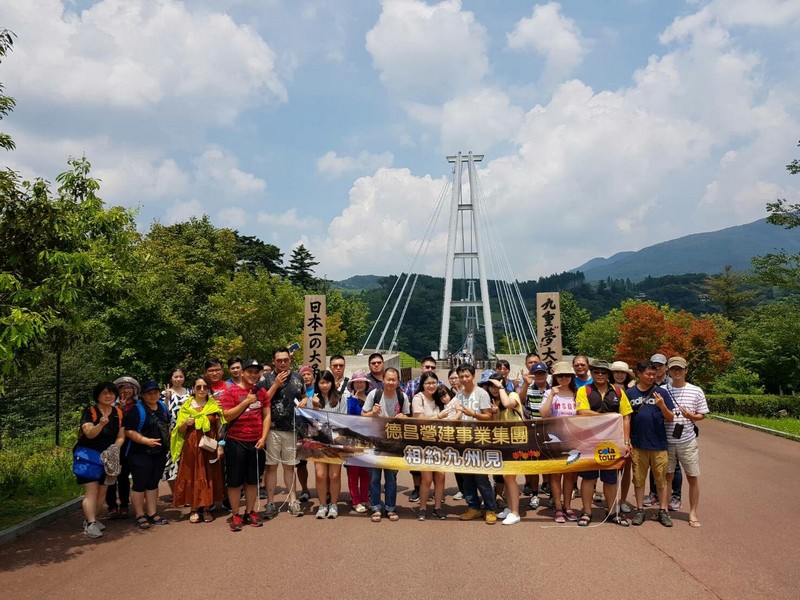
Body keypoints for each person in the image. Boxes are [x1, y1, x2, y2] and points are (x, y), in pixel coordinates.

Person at [575, 360, 633, 527]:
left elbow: (626, 417)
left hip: (612, 443)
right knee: (588, 478)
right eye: (597, 372)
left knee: (610, 479)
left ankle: (612, 512)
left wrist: (626, 441)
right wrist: (608, 417)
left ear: (609, 374)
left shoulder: (618, 392)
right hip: (589, 441)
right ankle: (587, 512)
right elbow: (582, 412)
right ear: (592, 373)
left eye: (604, 372)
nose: (600, 375)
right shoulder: (584, 390)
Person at [219, 359, 271, 531]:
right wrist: (246, 402)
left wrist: (264, 437)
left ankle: (250, 512)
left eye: (256, 372)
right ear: (242, 372)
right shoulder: (231, 392)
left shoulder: (262, 392)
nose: (253, 375)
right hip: (236, 442)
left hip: (256, 443)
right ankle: (236, 514)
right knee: (234, 482)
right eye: (250, 372)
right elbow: (227, 416)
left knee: (252, 480)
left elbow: (266, 415)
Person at [170, 376, 225, 524]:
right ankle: (194, 509)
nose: (201, 390)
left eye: (205, 387)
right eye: (198, 387)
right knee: (192, 475)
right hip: (191, 447)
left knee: (208, 474)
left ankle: (206, 508)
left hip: (209, 445)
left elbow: (220, 428)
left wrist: (221, 446)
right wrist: (186, 423)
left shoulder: (214, 405)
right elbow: (179, 430)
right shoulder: (186, 406)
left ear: (209, 389)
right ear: (193, 389)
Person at [628, 360, 676, 528]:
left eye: (653, 374)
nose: (651, 377)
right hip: (638, 444)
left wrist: (662, 406)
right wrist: (627, 441)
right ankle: (640, 510)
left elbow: (670, 418)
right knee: (639, 479)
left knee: (661, 479)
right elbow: (625, 418)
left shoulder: (661, 392)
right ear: (639, 374)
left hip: (659, 444)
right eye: (648, 374)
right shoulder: (630, 393)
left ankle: (663, 510)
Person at [260, 347, 305, 518]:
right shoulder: (266, 378)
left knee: (289, 466)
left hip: (291, 429)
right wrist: (276, 384)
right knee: (271, 466)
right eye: (279, 360)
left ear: (290, 360)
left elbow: (303, 395)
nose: (283, 363)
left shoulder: (298, 377)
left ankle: (293, 501)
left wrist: (305, 400)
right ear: (273, 362)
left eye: (285, 360)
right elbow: (262, 400)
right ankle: (270, 502)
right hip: (271, 429)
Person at [77, 381, 126, 538]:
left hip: (107, 457)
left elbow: (121, 436)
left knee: (102, 492)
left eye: (111, 393)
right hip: (88, 456)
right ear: (97, 395)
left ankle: (90, 519)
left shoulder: (118, 413)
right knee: (91, 490)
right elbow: (89, 433)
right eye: (105, 393)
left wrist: (115, 448)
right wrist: (100, 424)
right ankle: (91, 523)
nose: (108, 396)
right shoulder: (90, 412)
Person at [665, 356, 709, 527]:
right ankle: (664, 510)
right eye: (673, 369)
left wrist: (691, 416)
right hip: (666, 440)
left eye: (680, 369)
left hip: (687, 440)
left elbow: (702, 414)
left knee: (692, 476)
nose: (677, 372)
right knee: (667, 477)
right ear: (668, 370)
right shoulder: (662, 390)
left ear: (686, 371)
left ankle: (693, 513)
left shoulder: (696, 390)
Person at [362, 367, 409, 522]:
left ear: (398, 381)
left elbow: (407, 418)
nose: (390, 382)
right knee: (374, 478)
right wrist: (373, 413)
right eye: (388, 379)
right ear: (382, 380)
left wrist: (404, 418)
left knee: (391, 478)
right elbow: (363, 415)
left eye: (394, 380)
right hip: (374, 442)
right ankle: (375, 507)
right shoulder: (374, 394)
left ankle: (390, 508)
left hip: (393, 444)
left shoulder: (402, 397)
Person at [123, 380, 170, 530]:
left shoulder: (162, 407)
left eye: (155, 392)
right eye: (149, 393)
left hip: (159, 452)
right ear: (143, 395)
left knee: (153, 483)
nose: (153, 395)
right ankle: (139, 515)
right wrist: (145, 441)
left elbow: (167, 425)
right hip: (139, 453)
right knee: (139, 484)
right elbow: (129, 431)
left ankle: (152, 513)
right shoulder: (137, 410)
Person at [455, 364, 497, 525]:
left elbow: (488, 417)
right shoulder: (459, 395)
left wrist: (473, 414)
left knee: (481, 477)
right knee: (467, 477)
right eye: (461, 376)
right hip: (463, 440)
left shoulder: (481, 393)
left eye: (467, 376)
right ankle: (473, 506)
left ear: (473, 376)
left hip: (479, 440)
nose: (464, 379)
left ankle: (490, 508)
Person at [482, 371, 524, 525]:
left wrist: (501, 387)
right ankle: (510, 508)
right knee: (506, 477)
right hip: (503, 443)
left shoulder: (512, 395)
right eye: (491, 386)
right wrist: (494, 413)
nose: (494, 389)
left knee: (509, 477)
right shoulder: (495, 402)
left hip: (516, 442)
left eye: (496, 385)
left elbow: (508, 405)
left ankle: (515, 513)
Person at [540, 361, 579, 524]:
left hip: (573, 439)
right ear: (555, 377)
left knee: (570, 474)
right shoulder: (550, 392)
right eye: (560, 375)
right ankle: (558, 507)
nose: (564, 378)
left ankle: (568, 506)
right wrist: (551, 395)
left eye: (567, 375)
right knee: (555, 474)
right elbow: (543, 414)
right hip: (554, 438)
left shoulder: (577, 393)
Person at [644, 352, 682, 510]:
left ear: (666, 367)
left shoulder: (673, 383)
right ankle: (654, 494)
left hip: (674, 427)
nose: (657, 368)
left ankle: (676, 496)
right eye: (654, 365)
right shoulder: (648, 382)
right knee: (654, 463)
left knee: (674, 464)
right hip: (656, 429)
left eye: (660, 365)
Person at [311, 370, 348, 519]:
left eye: (327, 382)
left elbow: (344, 420)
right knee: (320, 475)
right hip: (319, 442)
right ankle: (322, 505)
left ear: (332, 383)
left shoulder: (340, 398)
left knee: (334, 475)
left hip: (335, 442)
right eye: (321, 382)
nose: (324, 385)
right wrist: (315, 407)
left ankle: (333, 504)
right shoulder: (313, 399)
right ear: (317, 384)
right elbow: (310, 422)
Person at [411, 371, 447, 521]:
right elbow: (419, 420)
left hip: (440, 443)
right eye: (428, 383)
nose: (431, 386)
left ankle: (437, 507)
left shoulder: (438, 398)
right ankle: (422, 507)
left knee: (440, 477)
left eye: (434, 383)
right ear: (422, 384)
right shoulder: (418, 398)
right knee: (426, 478)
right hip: (424, 444)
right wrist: (439, 417)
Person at [404, 356, 438, 503]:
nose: (430, 369)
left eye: (432, 367)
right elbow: (406, 403)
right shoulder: (411, 385)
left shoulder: (439, 385)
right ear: (421, 368)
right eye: (427, 367)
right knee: (417, 463)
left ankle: (435, 491)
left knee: (436, 463)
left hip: (437, 434)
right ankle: (417, 489)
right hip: (417, 430)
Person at [106, 375, 140, 519]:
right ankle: (112, 505)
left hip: (131, 445)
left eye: (129, 388)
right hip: (114, 444)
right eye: (122, 388)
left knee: (124, 476)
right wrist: (119, 408)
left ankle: (125, 504)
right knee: (111, 475)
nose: (126, 390)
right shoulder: (111, 406)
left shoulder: (138, 405)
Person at [517, 357, 550, 504]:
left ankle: (551, 493)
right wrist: (525, 384)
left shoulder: (552, 389)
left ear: (547, 374)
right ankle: (535, 494)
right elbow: (521, 400)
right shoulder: (530, 388)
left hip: (549, 431)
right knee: (535, 463)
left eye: (542, 373)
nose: (540, 376)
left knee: (550, 464)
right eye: (537, 374)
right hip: (533, 431)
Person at [345, 370, 373, 513]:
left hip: (368, 440)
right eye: (357, 382)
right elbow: (349, 418)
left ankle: (365, 498)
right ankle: (355, 500)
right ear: (352, 384)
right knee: (353, 472)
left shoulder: (371, 398)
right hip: (353, 440)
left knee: (366, 472)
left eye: (362, 382)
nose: (360, 384)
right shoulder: (349, 400)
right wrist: (354, 401)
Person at [162, 367, 189, 496]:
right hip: (172, 431)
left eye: (181, 376)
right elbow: (162, 413)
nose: (178, 379)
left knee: (186, 462)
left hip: (188, 430)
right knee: (172, 461)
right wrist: (167, 398)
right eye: (176, 376)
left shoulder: (190, 392)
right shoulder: (165, 393)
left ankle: (186, 493)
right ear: (171, 378)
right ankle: (176, 494)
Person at [296, 364, 316, 502]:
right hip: (301, 431)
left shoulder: (320, 388)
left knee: (321, 461)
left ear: (313, 376)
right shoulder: (296, 391)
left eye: (309, 374)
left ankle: (326, 490)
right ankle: (304, 489)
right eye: (303, 375)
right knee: (301, 463)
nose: (306, 377)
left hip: (318, 431)